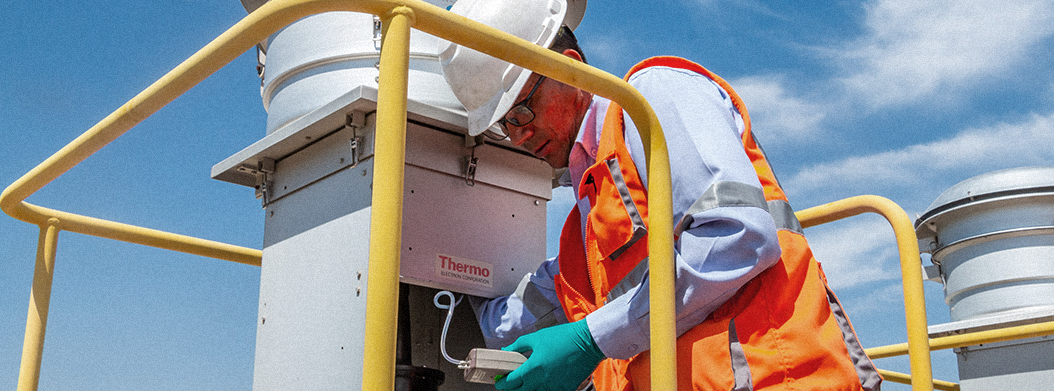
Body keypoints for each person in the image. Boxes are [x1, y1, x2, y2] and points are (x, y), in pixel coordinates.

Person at [439, 1, 883, 390]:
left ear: (568, 68)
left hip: (780, 380)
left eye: (521, 111)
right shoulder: (586, 226)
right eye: (503, 125)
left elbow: (737, 236)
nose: (518, 136)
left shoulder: (650, 100)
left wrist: (591, 339)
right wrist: (440, 277)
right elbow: (529, 310)